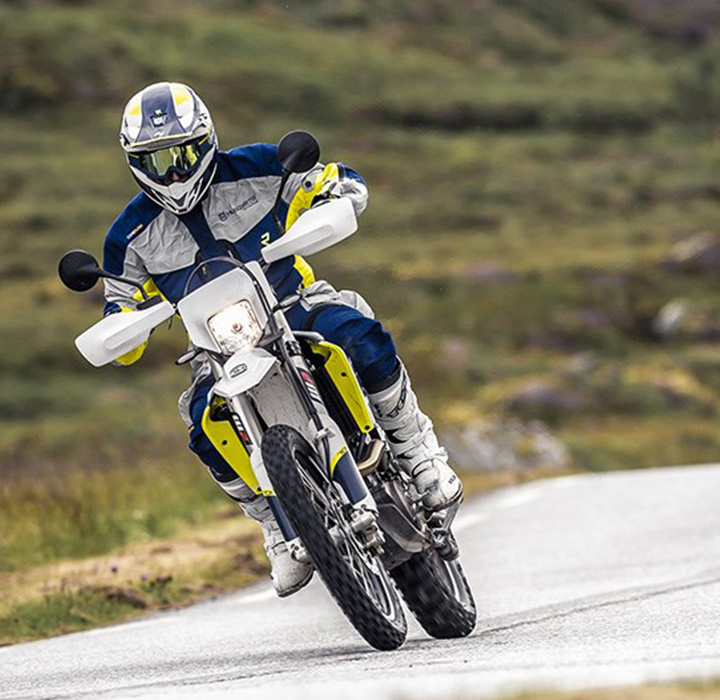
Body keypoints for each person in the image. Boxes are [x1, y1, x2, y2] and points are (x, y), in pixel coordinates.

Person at [104, 81, 462, 597]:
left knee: (357, 335)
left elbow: (334, 179)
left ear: (205, 140)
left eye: (182, 155)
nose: (174, 173)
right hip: (216, 348)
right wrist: (121, 329)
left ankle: (418, 450)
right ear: (135, 162)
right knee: (204, 423)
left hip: (292, 303)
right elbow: (119, 304)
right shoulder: (128, 237)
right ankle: (274, 523)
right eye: (157, 162)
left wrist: (336, 199)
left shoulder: (260, 167)